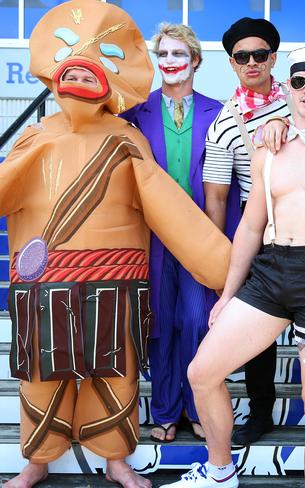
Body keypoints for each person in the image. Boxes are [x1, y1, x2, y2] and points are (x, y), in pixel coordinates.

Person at [1, 1, 231, 488]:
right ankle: (37, 461)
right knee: (42, 379)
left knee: (116, 375)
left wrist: (224, 268)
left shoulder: (128, 138)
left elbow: (166, 205)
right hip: (45, 286)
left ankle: (116, 459)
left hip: (115, 287)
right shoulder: (35, 136)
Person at [162, 45, 305, 488]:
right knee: (201, 372)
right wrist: (227, 295)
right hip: (271, 270)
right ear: (286, 85)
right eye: (299, 80)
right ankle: (221, 470)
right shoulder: (268, 147)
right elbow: (248, 228)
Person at [203, 17, 305, 445]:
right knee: (256, 336)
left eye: (260, 54)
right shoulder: (222, 124)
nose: (251, 63)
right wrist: (219, 259)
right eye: (242, 56)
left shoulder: (304, 96)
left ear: (274, 60)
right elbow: (216, 197)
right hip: (260, 229)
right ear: (231, 63)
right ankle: (260, 410)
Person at [121, 23, 222, 444]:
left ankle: (197, 407)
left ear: (195, 61)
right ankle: (164, 409)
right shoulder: (134, 114)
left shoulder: (219, 112)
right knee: (158, 325)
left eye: (178, 55)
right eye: (163, 55)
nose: (169, 63)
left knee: (196, 320)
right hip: (154, 236)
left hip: (200, 234)